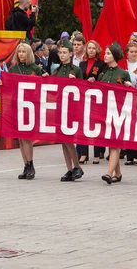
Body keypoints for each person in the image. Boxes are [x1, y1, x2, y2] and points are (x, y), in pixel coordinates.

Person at [91, 43, 132, 185]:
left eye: (108, 53)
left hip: (118, 112)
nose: (105, 55)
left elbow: (131, 94)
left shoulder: (123, 73)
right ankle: (118, 173)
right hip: (105, 112)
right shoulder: (103, 73)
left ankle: (109, 173)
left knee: (115, 143)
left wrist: (129, 87)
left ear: (114, 55)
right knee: (111, 142)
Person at [5, 43, 47, 180]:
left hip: (30, 106)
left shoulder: (35, 69)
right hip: (16, 105)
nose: (21, 54)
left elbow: (42, 86)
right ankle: (25, 165)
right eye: (19, 51)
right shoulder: (12, 69)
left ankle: (31, 164)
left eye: (24, 51)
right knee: (20, 138)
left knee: (27, 137)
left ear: (28, 53)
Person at [53, 39, 84, 182]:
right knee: (63, 140)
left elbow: (83, 89)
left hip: (71, 109)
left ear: (71, 54)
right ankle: (69, 169)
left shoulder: (76, 70)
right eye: (60, 52)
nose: (62, 55)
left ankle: (77, 166)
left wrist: (75, 80)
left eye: (65, 52)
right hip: (60, 108)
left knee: (68, 139)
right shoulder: (57, 70)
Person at [77, 40, 107, 164]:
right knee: (83, 125)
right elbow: (80, 77)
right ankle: (83, 153)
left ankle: (97, 153)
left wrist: (96, 80)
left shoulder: (101, 64)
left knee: (95, 125)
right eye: (89, 48)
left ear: (97, 50)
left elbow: (103, 79)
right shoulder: (82, 64)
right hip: (84, 97)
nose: (91, 50)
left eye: (93, 48)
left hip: (96, 98)